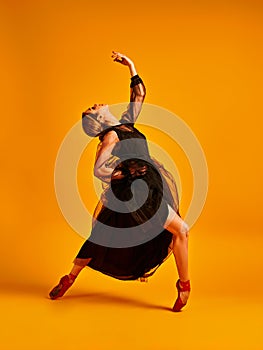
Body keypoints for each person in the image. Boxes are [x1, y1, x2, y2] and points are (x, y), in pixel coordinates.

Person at [49, 51, 190, 312]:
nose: (96, 104)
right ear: (97, 120)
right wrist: (125, 174)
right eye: (92, 108)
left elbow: (139, 96)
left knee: (102, 235)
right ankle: (184, 287)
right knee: (180, 230)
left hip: (147, 185)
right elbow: (98, 169)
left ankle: (70, 277)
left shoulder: (125, 125)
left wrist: (131, 66)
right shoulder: (111, 136)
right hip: (139, 192)